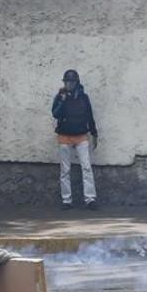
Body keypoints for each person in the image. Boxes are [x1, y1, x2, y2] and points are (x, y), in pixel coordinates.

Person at [51, 69, 99, 210]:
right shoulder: (60, 96)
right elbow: (55, 114)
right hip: (64, 135)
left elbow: (89, 115)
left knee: (86, 167)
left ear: (77, 82)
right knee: (65, 170)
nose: (69, 84)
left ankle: (90, 199)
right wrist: (62, 102)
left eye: (71, 81)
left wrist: (94, 133)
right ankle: (67, 200)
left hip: (81, 135)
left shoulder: (84, 98)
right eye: (67, 81)